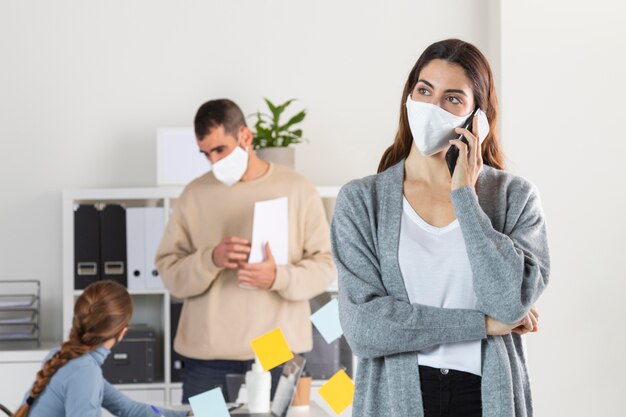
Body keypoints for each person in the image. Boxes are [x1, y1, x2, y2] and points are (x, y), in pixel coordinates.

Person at [331, 39, 550, 417]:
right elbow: (365, 330)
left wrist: (465, 196)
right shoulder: (361, 201)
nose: (432, 107)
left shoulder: (515, 197)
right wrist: (481, 324)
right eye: (424, 91)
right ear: (408, 97)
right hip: (397, 397)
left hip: (485, 396)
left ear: (476, 118)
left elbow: (509, 304)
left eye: (452, 99)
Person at [155, 99, 335, 403]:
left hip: (274, 346)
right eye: (206, 153)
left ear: (246, 137)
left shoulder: (297, 189)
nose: (213, 161)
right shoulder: (194, 194)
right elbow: (170, 273)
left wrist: (278, 276)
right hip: (209, 352)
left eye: (220, 150)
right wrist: (210, 259)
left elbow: (326, 266)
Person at [13, 280, 189, 417]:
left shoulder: (66, 358)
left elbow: (128, 409)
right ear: (122, 332)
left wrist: (186, 415)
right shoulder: (84, 371)